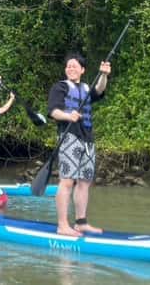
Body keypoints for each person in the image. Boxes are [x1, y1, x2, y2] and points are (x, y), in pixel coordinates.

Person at [48, 51, 111, 236]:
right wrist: (68, 116)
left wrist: (104, 74)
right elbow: (53, 111)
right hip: (69, 137)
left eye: (74, 66)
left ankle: (81, 223)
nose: (70, 69)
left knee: (84, 181)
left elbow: (99, 90)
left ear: (82, 70)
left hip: (87, 139)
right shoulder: (60, 87)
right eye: (68, 66)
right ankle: (62, 225)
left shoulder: (85, 88)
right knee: (67, 181)